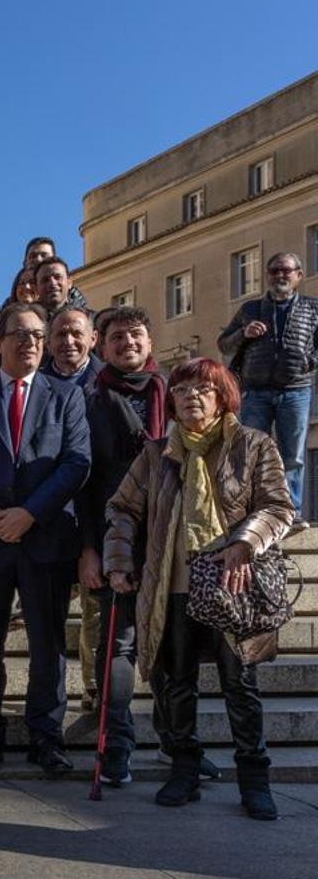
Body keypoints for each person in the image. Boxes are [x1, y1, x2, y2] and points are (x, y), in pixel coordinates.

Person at [105, 357, 292, 819]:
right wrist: (119, 561)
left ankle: (254, 780)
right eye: (182, 390)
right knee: (178, 685)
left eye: (202, 390)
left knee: (239, 686)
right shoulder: (157, 453)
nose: (191, 397)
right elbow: (122, 509)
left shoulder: (253, 445)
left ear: (222, 397)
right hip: (174, 587)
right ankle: (184, 770)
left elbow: (277, 507)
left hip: (235, 587)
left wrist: (245, 542)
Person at [0, 301, 90, 775]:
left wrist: (29, 514)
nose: (32, 342)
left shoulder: (66, 395)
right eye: (21, 334)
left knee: (47, 644)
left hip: (44, 537)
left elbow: (77, 461)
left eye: (38, 334)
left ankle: (46, 736)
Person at [77, 305, 168, 787]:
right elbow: (87, 484)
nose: (127, 343)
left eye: (135, 335)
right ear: (101, 345)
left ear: (149, 343)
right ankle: (117, 749)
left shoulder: (173, 392)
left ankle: (179, 744)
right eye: (116, 337)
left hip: (172, 539)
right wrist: (90, 548)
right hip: (117, 540)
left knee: (174, 647)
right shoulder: (91, 400)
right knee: (119, 647)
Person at [217, 252, 317, 523]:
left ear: (298, 275)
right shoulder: (250, 310)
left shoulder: (312, 308)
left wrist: (309, 361)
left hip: (296, 390)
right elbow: (224, 344)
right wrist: (243, 334)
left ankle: (290, 512)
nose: (279, 276)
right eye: (274, 271)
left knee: (292, 455)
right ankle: (251, 510)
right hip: (255, 390)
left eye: (285, 270)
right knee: (249, 452)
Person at [44, 306, 102, 388]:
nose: (69, 341)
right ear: (49, 341)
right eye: (61, 334)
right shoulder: (33, 383)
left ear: (93, 339)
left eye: (77, 334)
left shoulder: (110, 380)